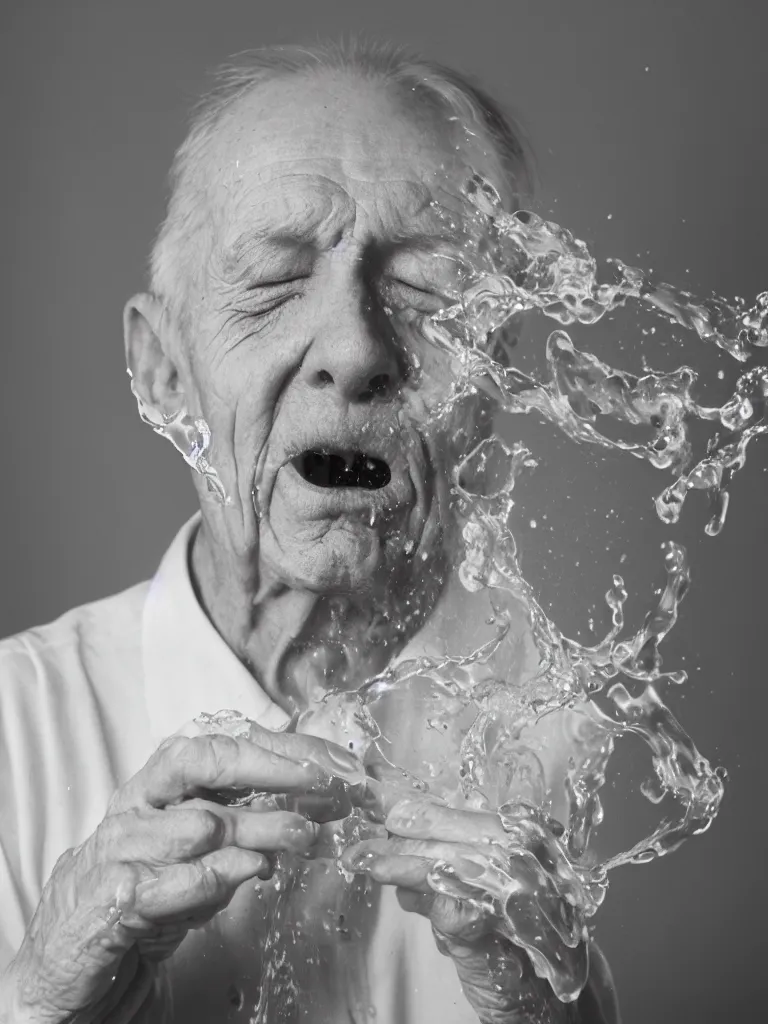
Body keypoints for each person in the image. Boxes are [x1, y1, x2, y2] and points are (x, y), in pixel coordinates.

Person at [0, 39, 619, 1024]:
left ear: (498, 374)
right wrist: (38, 1000)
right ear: (164, 372)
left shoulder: (586, 742)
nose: (355, 348)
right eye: (276, 282)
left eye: (425, 289)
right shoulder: (10, 730)